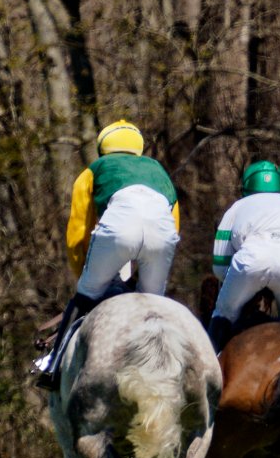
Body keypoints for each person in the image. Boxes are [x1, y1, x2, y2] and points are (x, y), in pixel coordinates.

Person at [35, 119, 180, 389]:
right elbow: (173, 225)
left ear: (103, 149)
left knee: (87, 291)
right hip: (162, 237)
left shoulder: (94, 170)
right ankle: (166, 370)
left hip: (117, 232)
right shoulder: (159, 171)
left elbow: (78, 231)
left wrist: (87, 278)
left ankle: (53, 365)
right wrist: (139, 278)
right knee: (153, 305)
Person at [207, 161, 280, 352]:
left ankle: (209, 371)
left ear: (246, 188)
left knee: (224, 311)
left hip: (250, 261)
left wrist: (243, 284)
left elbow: (220, 263)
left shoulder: (239, 206)